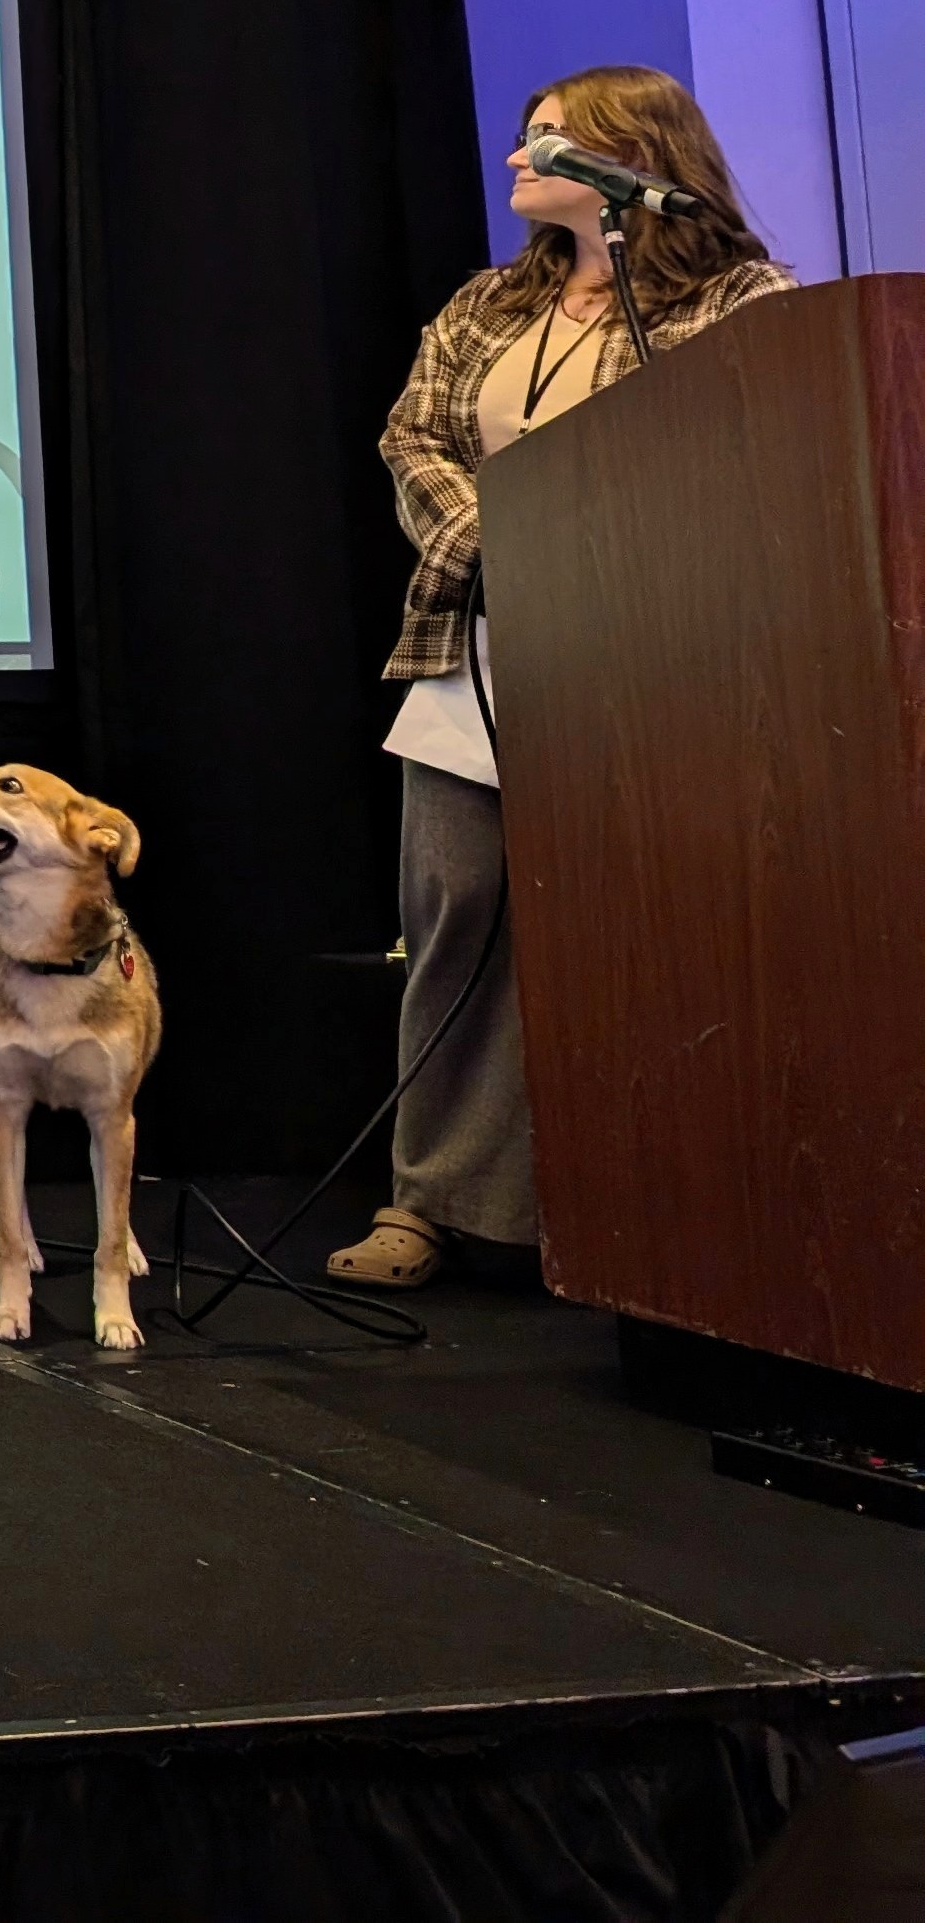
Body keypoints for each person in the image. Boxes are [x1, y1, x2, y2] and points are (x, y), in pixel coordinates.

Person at [331, 66, 793, 1291]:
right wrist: (499, 532)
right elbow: (410, 435)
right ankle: (428, 1202)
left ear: (625, 157)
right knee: (455, 916)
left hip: (649, 668)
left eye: (545, 137)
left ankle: (630, 1204)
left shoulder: (746, 298)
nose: (514, 156)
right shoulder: (490, 301)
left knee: (641, 932)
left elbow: (746, 442)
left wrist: (591, 538)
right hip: (475, 651)